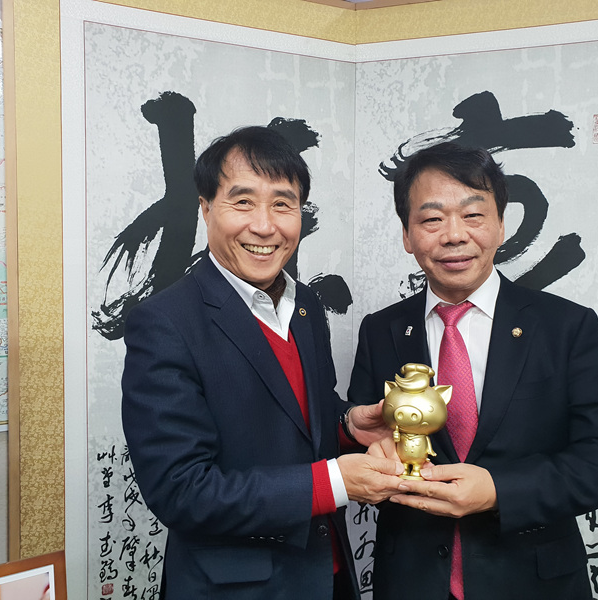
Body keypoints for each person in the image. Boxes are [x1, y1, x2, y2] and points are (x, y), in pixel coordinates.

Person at [348, 142, 598, 600]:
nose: (454, 235)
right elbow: (368, 439)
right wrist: (367, 447)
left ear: (501, 225)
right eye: (431, 219)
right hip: (411, 580)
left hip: (534, 583)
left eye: (473, 215)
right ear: (407, 235)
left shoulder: (565, 326)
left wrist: (499, 491)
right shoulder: (381, 330)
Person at [122, 126, 404, 600]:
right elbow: (181, 490)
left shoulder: (306, 305)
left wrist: (347, 424)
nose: (265, 226)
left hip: (327, 572)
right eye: (243, 202)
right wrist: (335, 481)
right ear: (206, 208)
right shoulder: (164, 322)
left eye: (282, 204)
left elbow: (295, 413)